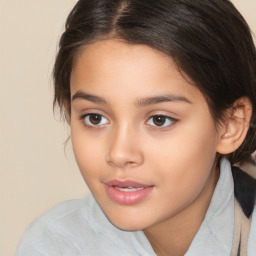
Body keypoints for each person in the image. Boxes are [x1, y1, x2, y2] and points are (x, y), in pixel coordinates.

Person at [15, 0, 256, 255]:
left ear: (231, 125)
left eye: (159, 120)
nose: (119, 154)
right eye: (95, 118)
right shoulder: (53, 244)